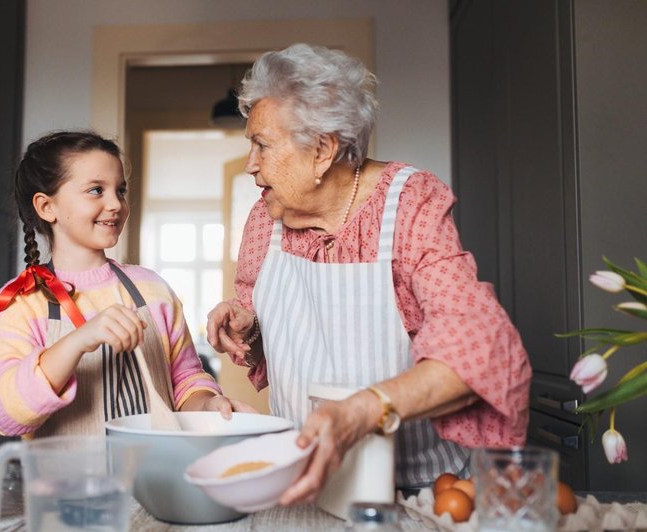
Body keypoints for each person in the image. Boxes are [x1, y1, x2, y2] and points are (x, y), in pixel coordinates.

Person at [206, 44, 532, 505]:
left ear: (322, 150)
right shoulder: (267, 217)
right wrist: (249, 326)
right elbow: (289, 342)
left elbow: (477, 345)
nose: (250, 164)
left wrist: (362, 411)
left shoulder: (409, 204)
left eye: (261, 144)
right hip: (304, 485)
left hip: (413, 493)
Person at [0, 130, 253, 438]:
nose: (116, 204)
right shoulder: (21, 302)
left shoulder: (153, 290)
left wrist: (208, 405)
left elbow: (186, 380)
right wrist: (78, 340)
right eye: (96, 190)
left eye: (120, 190)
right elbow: (4, 415)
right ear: (47, 207)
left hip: (151, 480)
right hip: (64, 484)